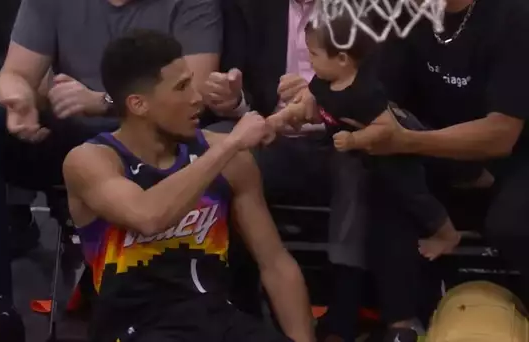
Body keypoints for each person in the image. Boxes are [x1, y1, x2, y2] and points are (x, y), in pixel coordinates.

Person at [0, 0, 222, 340]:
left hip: (149, 136)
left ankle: (106, 276)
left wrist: (102, 101)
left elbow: (196, 92)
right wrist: (19, 101)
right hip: (70, 131)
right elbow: (14, 74)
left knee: (121, 147)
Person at [64, 30, 315, 342]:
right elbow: (148, 216)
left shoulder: (229, 159)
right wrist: (230, 145)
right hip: (135, 328)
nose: (196, 97)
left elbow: (276, 264)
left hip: (218, 321)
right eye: (181, 87)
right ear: (139, 104)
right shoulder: (90, 162)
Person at [343, 0, 529, 341]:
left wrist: (409, 140)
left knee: (512, 224)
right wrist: (322, 94)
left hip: (514, 158)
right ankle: (403, 326)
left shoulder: (514, 17)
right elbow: (379, 98)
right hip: (440, 153)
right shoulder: (406, 15)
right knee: (384, 183)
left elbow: (501, 135)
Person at [205, 1, 367, 341]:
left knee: (358, 164)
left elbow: (383, 85)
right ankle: (241, 306)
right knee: (222, 152)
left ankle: (343, 313)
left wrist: (326, 100)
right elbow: (245, 91)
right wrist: (234, 100)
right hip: (271, 135)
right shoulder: (252, 8)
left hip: (345, 136)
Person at [269, 17, 463, 261]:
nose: (309, 60)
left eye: (314, 54)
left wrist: (354, 140)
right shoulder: (321, 83)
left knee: (414, 193)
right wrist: (277, 120)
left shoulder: (365, 92)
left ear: (342, 59)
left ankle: (447, 234)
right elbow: (314, 109)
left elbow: (385, 128)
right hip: (369, 156)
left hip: (396, 150)